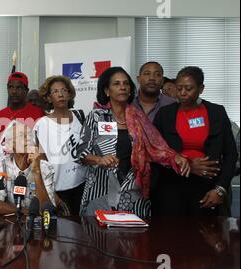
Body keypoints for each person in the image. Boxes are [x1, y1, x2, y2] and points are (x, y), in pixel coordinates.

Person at [77, 66, 189, 219]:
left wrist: (174, 157)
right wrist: (99, 159)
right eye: (116, 84)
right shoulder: (97, 116)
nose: (122, 87)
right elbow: (80, 152)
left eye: (126, 84)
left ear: (130, 90)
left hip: (134, 193)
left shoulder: (139, 118)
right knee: (99, 239)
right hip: (101, 191)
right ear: (107, 91)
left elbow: (156, 147)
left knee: (134, 241)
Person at [152, 66, 238, 216]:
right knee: (171, 236)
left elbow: (231, 154)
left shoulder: (217, 112)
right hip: (172, 185)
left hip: (207, 186)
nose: (183, 93)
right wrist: (188, 164)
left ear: (201, 88)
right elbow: (154, 150)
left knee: (204, 236)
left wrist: (220, 189)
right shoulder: (165, 114)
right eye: (179, 88)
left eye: (188, 88)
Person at [34, 75, 87, 215]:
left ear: (69, 94)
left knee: (83, 230)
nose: (61, 94)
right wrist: (51, 193)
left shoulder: (80, 117)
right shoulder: (42, 124)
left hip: (82, 185)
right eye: (55, 91)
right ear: (48, 98)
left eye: (64, 90)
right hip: (57, 189)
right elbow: (40, 162)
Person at [0, 122, 56, 215]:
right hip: (10, 224)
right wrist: (27, 212)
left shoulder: (46, 168)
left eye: (30, 135)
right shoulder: (1, 164)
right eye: (22, 136)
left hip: (37, 225)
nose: (28, 139)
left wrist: (37, 173)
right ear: (9, 145)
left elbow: (46, 211)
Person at [0, 72, 45, 141]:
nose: (14, 91)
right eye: (11, 87)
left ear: (26, 91)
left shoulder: (39, 114)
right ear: (7, 89)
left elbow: (44, 144)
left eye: (19, 88)